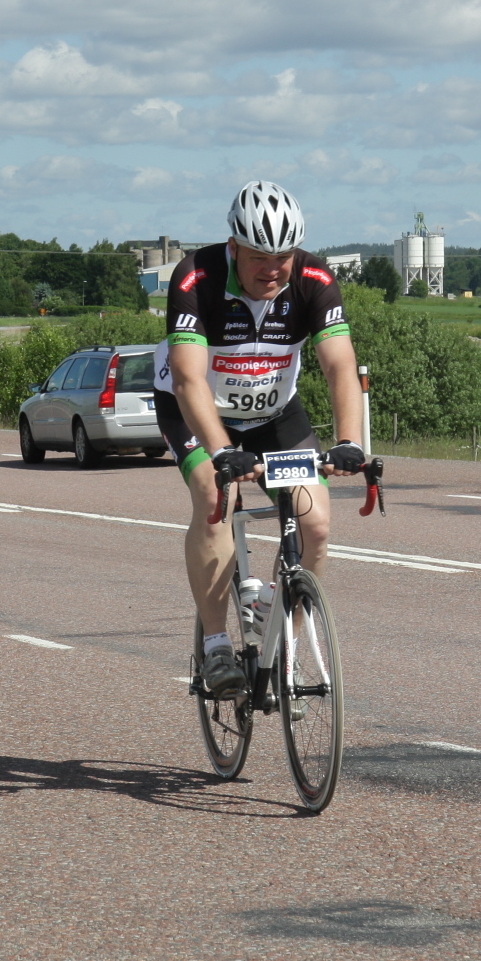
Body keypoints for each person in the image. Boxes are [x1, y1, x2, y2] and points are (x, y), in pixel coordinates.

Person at [153, 181, 368, 699]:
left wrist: (349, 441)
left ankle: (282, 644)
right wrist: (222, 451)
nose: (272, 269)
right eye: (258, 257)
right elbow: (188, 378)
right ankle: (216, 646)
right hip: (197, 410)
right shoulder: (196, 276)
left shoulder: (314, 279)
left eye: (283, 257)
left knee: (316, 523)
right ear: (233, 247)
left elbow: (340, 366)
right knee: (216, 495)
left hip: (273, 414)